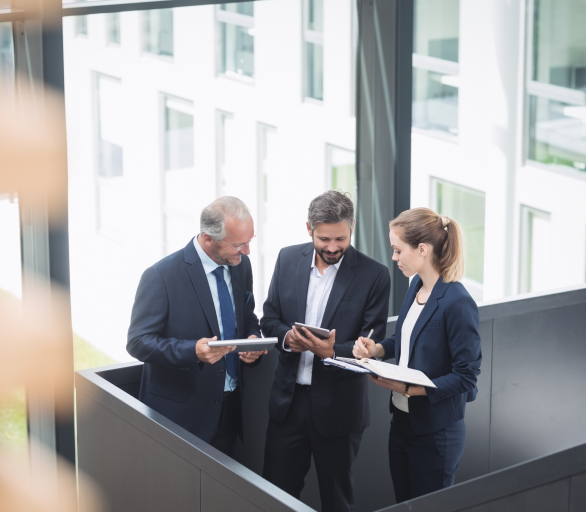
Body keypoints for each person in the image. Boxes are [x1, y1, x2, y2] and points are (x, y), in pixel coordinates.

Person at [261, 191, 391, 512]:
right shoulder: (287, 259)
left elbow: (371, 345)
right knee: (274, 498)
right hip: (288, 405)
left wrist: (331, 352)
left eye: (340, 239)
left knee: (337, 501)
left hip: (339, 410)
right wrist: (287, 338)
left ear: (352, 227)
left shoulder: (374, 275)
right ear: (309, 229)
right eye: (324, 239)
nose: (332, 247)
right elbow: (269, 319)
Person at [353, 207, 482, 502]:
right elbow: (406, 338)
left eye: (398, 250)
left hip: (436, 433)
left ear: (422, 249)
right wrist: (378, 349)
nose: (394, 257)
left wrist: (410, 389)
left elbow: (466, 377)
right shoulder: (416, 286)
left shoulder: (458, 302)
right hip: (402, 423)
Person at [127, 197, 267, 456]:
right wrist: (193, 351)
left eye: (250, 241)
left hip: (230, 409)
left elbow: (247, 315)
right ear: (209, 238)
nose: (247, 251)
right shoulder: (161, 276)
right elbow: (138, 342)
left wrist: (252, 337)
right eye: (239, 244)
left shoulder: (240, 265)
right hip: (180, 416)